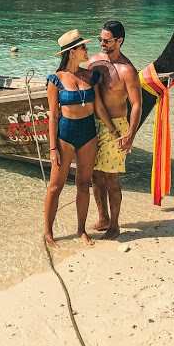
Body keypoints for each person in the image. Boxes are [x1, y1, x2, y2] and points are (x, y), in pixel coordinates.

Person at [44, 30, 117, 249]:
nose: (87, 50)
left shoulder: (90, 76)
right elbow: (53, 116)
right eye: (83, 47)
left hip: (88, 134)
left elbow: (100, 108)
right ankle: (48, 233)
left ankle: (81, 230)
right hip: (66, 134)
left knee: (83, 184)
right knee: (55, 187)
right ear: (72, 52)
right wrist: (53, 148)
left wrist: (114, 131)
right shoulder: (55, 80)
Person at [87, 20, 142, 240]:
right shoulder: (93, 62)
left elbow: (137, 104)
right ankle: (103, 218)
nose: (102, 43)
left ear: (119, 41)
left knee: (111, 179)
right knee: (94, 175)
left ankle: (115, 226)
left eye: (106, 40)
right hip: (93, 124)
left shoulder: (127, 70)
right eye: (100, 39)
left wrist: (131, 135)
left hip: (117, 126)